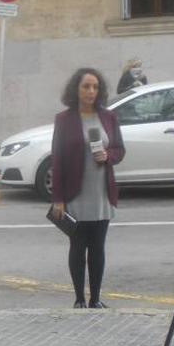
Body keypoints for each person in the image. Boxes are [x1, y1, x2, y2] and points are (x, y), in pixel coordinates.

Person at [50, 68, 125, 309]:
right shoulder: (64, 120)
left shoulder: (109, 117)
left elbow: (119, 150)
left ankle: (95, 298)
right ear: (76, 89)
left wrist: (108, 155)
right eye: (86, 86)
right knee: (78, 246)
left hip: (101, 193)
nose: (91, 91)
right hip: (75, 193)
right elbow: (58, 160)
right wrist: (58, 199)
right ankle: (79, 299)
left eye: (95, 87)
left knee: (98, 248)